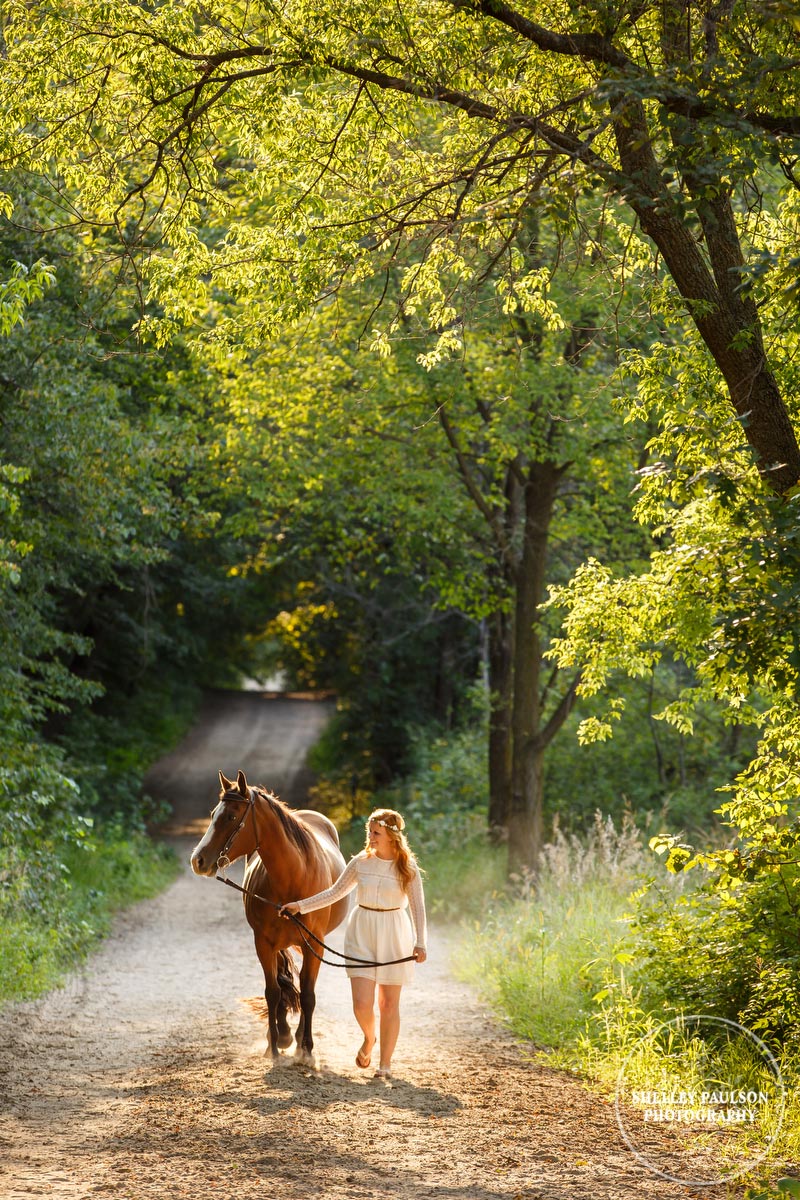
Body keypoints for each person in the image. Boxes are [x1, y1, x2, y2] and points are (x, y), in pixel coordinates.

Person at [280, 808, 427, 1080]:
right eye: (369, 832)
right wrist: (299, 906)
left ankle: (385, 1064)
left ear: (392, 836)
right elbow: (334, 892)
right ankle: (369, 1038)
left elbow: (418, 906)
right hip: (362, 930)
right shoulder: (361, 862)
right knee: (361, 1003)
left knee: (388, 1004)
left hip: (394, 932)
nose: (370, 837)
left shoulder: (407, 867)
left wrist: (421, 943)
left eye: (376, 833)